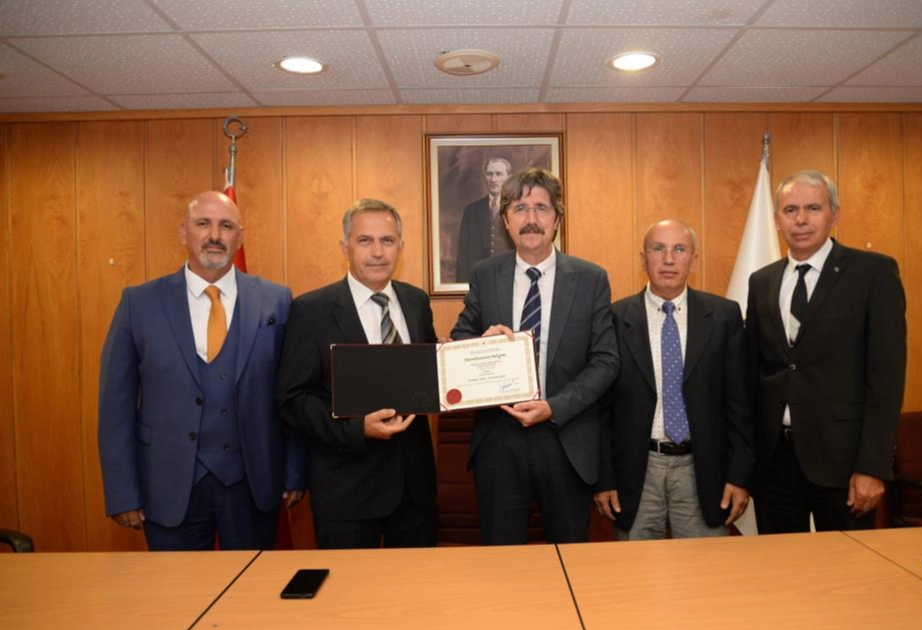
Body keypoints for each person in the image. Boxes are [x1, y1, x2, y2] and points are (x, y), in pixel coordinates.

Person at [98, 191, 306, 551]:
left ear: (239, 237)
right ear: (184, 232)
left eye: (226, 226)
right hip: (167, 485)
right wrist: (122, 492)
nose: (214, 235)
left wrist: (294, 471)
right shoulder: (139, 303)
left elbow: (293, 394)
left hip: (253, 484)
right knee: (176, 588)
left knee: (252, 584)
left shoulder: (276, 300)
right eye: (202, 224)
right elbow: (115, 407)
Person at [451, 168, 619, 545]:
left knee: (570, 558)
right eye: (520, 208)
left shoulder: (590, 278)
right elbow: (460, 339)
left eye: (541, 208)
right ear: (505, 220)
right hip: (499, 442)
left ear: (557, 220)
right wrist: (482, 343)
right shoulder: (485, 274)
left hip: (566, 440)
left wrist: (554, 407)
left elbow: (606, 361)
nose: (531, 219)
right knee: (502, 559)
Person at [745, 170, 906, 533]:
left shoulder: (873, 273)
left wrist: (872, 466)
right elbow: (754, 374)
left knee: (848, 565)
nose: (801, 219)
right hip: (774, 464)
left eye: (813, 208)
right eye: (790, 210)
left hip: (844, 465)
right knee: (777, 564)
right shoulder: (762, 282)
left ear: (835, 214)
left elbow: (886, 380)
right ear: (777, 220)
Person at [277, 199, 438, 549]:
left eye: (387, 240)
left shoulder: (416, 302)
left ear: (401, 247)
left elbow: (429, 373)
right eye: (365, 240)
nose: (377, 252)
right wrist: (355, 428)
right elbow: (293, 399)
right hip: (346, 492)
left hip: (414, 491)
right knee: (348, 585)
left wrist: (475, 355)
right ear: (345, 247)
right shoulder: (311, 310)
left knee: (418, 584)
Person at [595, 220, 754, 539]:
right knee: (634, 567)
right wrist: (604, 479)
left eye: (679, 249)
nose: (668, 259)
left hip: (703, 469)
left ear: (693, 260)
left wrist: (740, 476)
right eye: (658, 249)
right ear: (643, 260)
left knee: (704, 567)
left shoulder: (724, 316)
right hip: (636, 472)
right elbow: (601, 411)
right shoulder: (614, 319)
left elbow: (740, 404)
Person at [455, 157, 514, 282]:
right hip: (479, 282)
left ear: (508, 177)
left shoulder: (517, 208)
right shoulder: (472, 210)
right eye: (489, 174)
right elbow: (463, 255)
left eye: (498, 174)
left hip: (510, 280)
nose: (493, 179)